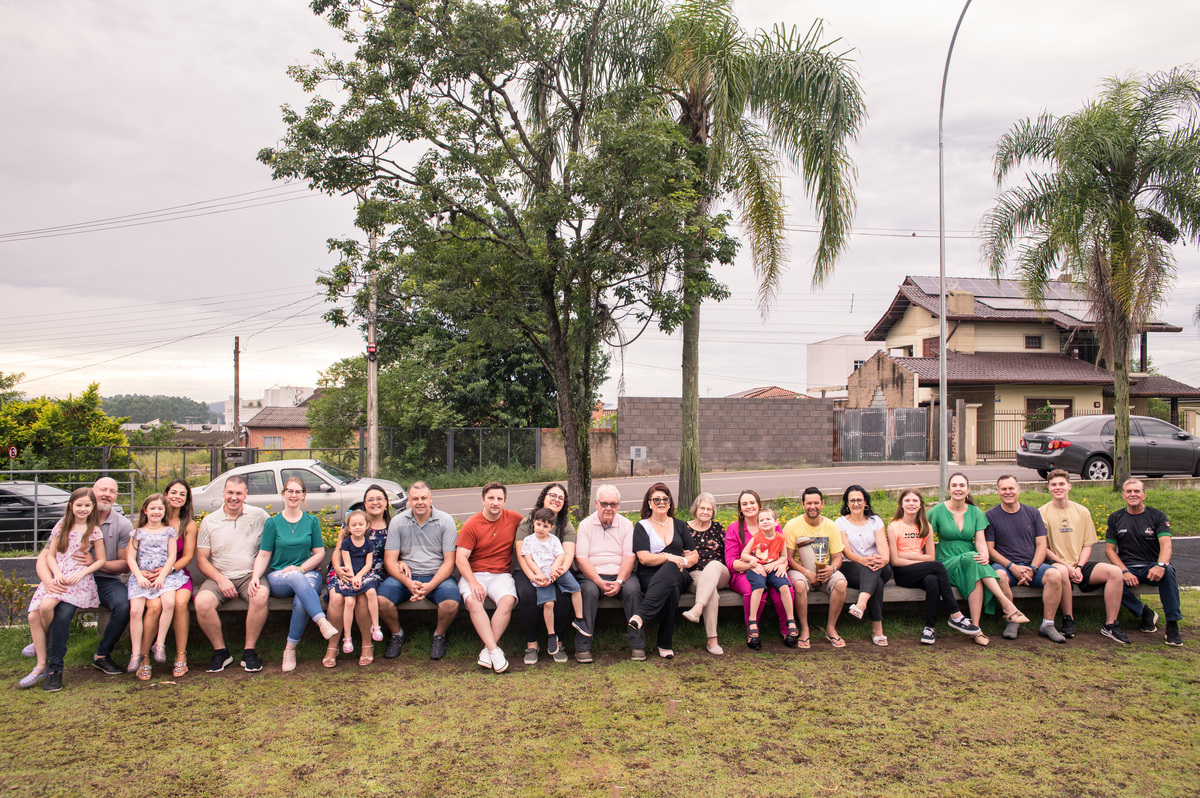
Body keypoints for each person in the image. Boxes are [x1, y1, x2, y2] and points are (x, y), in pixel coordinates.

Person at [19, 488, 106, 692]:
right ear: (71, 506)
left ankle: (45, 641)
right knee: (33, 616)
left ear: (93, 506)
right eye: (79, 505)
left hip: (77, 580)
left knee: (46, 606)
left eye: (87, 505)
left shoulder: (94, 530)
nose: (83, 509)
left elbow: (101, 560)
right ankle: (41, 665)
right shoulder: (62, 525)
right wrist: (56, 574)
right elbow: (50, 555)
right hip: (59, 575)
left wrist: (82, 573)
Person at [927, 473, 1029, 645]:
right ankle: (1007, 605)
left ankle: (975, 629)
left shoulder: (976, 512)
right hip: (946, 561)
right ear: (949, 489)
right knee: (973, 558)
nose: (958, 489)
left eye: (962, 485)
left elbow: (981, 542)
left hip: (970, 561)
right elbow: (924, 535)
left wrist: (984, 555)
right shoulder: (936, 511)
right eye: (954, 485)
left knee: (976, 571)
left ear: (967, 489)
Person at [249, 477, 338, 672]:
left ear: (304, 495)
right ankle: (321, 621)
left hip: (307, 573)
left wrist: (302, 568)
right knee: (296, 578)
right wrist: (255, 576)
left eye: (298, 491)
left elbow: (319, 553)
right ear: (283, 493)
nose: (294, 495)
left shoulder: (311, 521)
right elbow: (264, 554)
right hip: (279, 577)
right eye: (290, 491)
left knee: (301, 599)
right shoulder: (273, 523)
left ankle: (289, 649)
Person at [1038, 469, 1130, 644]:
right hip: (1056, 563)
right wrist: (1068, 567)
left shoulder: (1082, 511)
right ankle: (1068, 619)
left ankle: (1111, 624)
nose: (1058, 487)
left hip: (1079, 565)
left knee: (1115, 572)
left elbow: (1087, 544)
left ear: (1069, 486)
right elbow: (1044, 548)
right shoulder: (1041, 512)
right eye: (1054, 484)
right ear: (1048, 487)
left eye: (1061, 484)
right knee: (1061, 572)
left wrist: (1079, 567)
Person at [193, 475, 272, 673]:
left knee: (260, 595)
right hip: (219, 576)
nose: (233, 497)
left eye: (238, 493)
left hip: (250, 575)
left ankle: (249, 651)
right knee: (202, 602)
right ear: (223, 493)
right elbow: (201, 559)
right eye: (230, 492)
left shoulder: (260, 516)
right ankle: (221, 652)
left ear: (246, 494)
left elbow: (273, 542)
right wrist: (220, 579)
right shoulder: (209, 521)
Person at [887, 489, 981, 645]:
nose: (911, 504)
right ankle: (955, 614)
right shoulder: (894, 526)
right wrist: (920, 562)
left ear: (920, 505)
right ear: (901, 505)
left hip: (923, 570)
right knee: (937, 567)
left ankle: (929, 628)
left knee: (932, 581)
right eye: (907, 501)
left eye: (915, 501)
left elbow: (930, 557)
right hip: (903, 573)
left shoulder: (926, 526)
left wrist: (906, 555)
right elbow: (895, 560)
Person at [381, 481, 461, 662]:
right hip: (406, 576)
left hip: (437, 576)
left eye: (423, 498)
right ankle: (397, 634)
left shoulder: (445, 521)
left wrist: (430, 586)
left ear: (430, 498)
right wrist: (408, 583)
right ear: (408, 500)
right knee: (381, 601)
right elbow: (390, 560)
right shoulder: (398, 522)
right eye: (415, 498)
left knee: (451, 604)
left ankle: (439, 636)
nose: (420, 502)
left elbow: (450, 562)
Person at [984, 475, 1069, 643]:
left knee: (1055, 575)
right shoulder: (991, 516)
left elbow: (1041, 545)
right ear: (998, 491)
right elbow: (990, 550)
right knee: (998, 576)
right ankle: (1012, 619)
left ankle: (1047, 624)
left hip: (1032, 567)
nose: (1008, 492)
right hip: (1006, 567)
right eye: (1003, 489)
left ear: (1018, 490)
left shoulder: (1033, 513)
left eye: (1011, 488)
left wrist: (1033, 568)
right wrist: (1012, 566)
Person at [1105, 478, 1183, 647]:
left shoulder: (1157, 516)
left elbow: (1166, 545)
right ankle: (1144, 612)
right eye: (1129, 491)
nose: (1133, 494)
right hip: (1128, 569)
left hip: (1152, 567)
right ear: (1123, 495)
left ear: (1144, 495)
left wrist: (1160, 566)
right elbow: (1110, 550)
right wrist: (1124, 571)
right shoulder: (1116, 517)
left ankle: (1172, 626)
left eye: (1137, 491)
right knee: (1110, 581)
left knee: (1169, 572)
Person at [456, 482, 523, 673]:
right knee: (474, 601)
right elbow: (460, 558)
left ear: (504, 501)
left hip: (501, 575)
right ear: (483, 500)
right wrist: (473, 582)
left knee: (507, 600)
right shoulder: (472, 524)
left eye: (499, 499)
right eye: (491, 498)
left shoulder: (514, 518)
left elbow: (536, 526)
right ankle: (495, 651)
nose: (495, 502)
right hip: (474, 574)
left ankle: (487, 651)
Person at [627, 483, 697, 659]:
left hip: (679, 572)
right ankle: (665, 644)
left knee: (672, 568)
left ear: (670, 502)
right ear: (649, 503)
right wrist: (668, 557)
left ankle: (641, 615)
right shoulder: (642, 526)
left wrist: (681, 561)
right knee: (671, 590)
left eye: (665, 499)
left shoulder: (680, 525)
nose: (662, 502)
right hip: (650, 575)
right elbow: (644, 558)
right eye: (656, 499)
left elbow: (694, 556)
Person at [573, 484, 641, 663]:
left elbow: (629, 558)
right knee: (587, 593)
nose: (608, 508)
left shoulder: (626, 525)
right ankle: (583, 647)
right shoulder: (585, 525)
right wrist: (598, 581)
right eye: (604, 504)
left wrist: (619, 581)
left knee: (633, 591)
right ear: (596, 503)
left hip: (620, 574)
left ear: (619, 505)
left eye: (613, 504)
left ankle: (637, 645)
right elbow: (581, 559)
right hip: (592, 576)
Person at [328, 484, 394, 666]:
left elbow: (398, 552)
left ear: (386, 502)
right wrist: (338, 568)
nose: (375, 502)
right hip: (345, 569)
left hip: (373, 571)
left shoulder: (391, 526)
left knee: (364, 598)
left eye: (379, 499)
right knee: (337, 598)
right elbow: (338, 550)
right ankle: (333, 645)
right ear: (364, 504)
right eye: (370, 499)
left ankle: (367, 644)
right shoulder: (351, 523)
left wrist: (401, 562)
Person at [512, 483, 578, 665]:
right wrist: (533, 576)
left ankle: (558, 642)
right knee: (528, 594)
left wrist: (556, 574)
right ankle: (532, 644)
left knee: (563, 595)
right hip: (528, 569)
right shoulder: (528, 522)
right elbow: (522, 555)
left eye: (561, 498)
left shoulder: (566, 526)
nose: (556, 500)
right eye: (552, 495)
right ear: (544, 497)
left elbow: (568, 555)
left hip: (555, 570)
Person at [125, 493, 187, 680]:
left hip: (164, 576)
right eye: (152, 508)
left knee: (169, 603)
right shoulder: (137, 533)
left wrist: (162, 576)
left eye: (160, 508)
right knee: (135, 611)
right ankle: (136, 653)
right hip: (142, 577)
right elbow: (130, 557)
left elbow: (172, 556)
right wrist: (138, 575)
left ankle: (159, 643)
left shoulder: (169, 531)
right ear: (145, 510)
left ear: (164, 511)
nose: (156, 512)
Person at [725, 490, 795, 649]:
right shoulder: (734, 529)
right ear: (740, 509)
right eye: (744, 504)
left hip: (771, 569)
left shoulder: (771, 524)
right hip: (744, 573)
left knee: (785, 589)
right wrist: (753, 565)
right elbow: (731, 563)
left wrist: (782, 565)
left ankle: (787, 630)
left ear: (758, 505)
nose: (749, 506)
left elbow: (783, 555)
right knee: (755, 591)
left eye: (752, 503)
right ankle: (752, 632)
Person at [783, 487, 848, 648]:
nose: (813, 507)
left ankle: (831, 628)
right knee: (799, 585)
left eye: (816, 503)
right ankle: (805, 629)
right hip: (800, 570)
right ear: (802, 504)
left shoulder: (831, 526)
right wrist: (807, 573)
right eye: (809, 503)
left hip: (824, 570)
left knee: (841, 583)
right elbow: (789, 558)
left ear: (822, 503)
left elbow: (837, 557)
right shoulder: (792, 525)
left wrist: (832, 569)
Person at [836, 485, 892, 647]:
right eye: (852, 500)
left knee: (874, 571)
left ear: (865, 502)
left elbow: (884, 551)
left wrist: (880, 560)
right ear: (847, 503)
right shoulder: (840, 523)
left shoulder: (875, 521)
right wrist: (864, 561)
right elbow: (846, 551)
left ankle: (861, 603)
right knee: (877, 582)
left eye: (859, 500)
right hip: (852, 567)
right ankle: (877, 630)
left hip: (879, 566)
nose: (856, 504)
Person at [739, 507, 799, 647]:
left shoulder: (780, 538)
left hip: (772, 568)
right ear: (758, 525)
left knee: (785, 586)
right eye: (762, 520)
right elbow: (744, 554)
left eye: (768, 519)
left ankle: (790, 619)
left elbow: (783, 556)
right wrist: (752, 560)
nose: (765, 522)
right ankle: (752, 620)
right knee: (759, 588)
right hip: (757, 568)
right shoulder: (756, 538)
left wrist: (775, 564)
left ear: (776, 522)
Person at [681, 491, 729, 655]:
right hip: (695, 574)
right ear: (695, 509)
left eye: (709, 509)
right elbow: (677, 550)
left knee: (714, 565)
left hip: (720, 574)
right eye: (702, 508)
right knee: (711, 592)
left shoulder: (718, 528)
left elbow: (728, 551)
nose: (705, 512)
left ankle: (698, 608)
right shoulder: (684, 528)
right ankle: (712, 640)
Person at [333, 510, 383, 660]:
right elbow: (347, 562)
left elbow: (368, 564)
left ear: (367, 526)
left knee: (371, 592)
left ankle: (375, 626)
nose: (357, 527)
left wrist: (360, 576)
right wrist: (353, 577)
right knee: (349, 602)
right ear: (348, 527)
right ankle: (347, 637)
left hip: (364, 574)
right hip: (349, 574)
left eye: (360, 524)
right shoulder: (346, 543)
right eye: (353, 525)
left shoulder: (368, 543)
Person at [162, 479, 199, 676]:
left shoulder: (189, 525)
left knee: (180, 603)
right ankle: (143, 655)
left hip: (177, 574)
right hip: (151, 576)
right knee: (153, 605)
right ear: (166, 494)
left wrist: (168, 570)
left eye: (182, 494)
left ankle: (181, 655)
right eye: (174, 492)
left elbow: (187, 556)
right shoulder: (154, 517)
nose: (177, 497)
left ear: (186, 500)